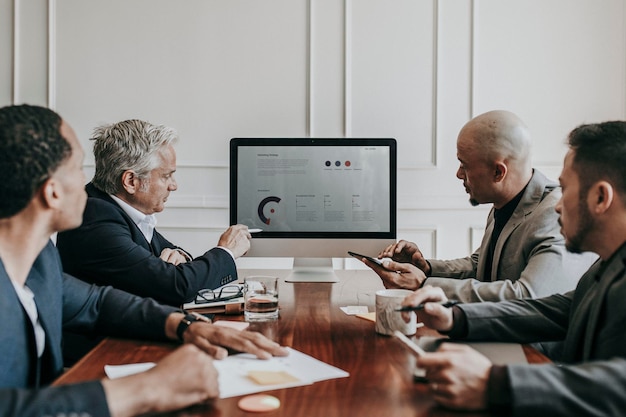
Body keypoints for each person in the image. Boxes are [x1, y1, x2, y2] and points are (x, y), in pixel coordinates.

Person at [0, 104, 288, 417]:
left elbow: (96, 303)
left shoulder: (40, 259)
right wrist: (147, 388)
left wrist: (186, 327)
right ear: (52, 193)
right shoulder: (94, 221)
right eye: (77, 168)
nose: (88, 182)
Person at [401, 120, 626, 416]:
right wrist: (454, 316)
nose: (559, 204)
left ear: (600, 198)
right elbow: (556, 310)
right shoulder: (608, 262)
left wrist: (494, 383)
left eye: (567, 188)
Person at [361, 110, 596, 302]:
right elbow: (481, 266)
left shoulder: (553, 216)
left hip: (532, 352)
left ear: (498, 171)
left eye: (464, 165)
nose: (458, 174)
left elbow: (529, 296)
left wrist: (424, 284)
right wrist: (427, 268)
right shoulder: (504, 202)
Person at [56, 119, 251, 306]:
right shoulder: (95, 219)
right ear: (131, 181)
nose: (174, 186)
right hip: (107, 340)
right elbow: (178, 286)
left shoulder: (117, 209)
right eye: (167, 176)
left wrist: (180, 256)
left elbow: (172, 256)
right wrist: (227, 251)